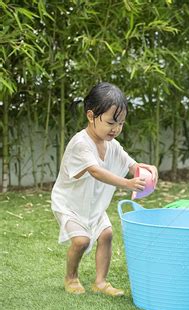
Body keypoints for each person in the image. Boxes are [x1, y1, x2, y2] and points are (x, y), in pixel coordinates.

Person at [51, 82, 158, 296]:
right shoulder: (81, 143)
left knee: (106, 234)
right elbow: (96, 171)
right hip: (69, 204)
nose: (116, 129)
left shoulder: (112, 145)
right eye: (111, 122)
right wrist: (127, 183)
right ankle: (71, 277)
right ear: (91, 116)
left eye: (121, 124)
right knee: (81, 241)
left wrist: (148, 170)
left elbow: (132, 165)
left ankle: (100, 282)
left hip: (92, 204)